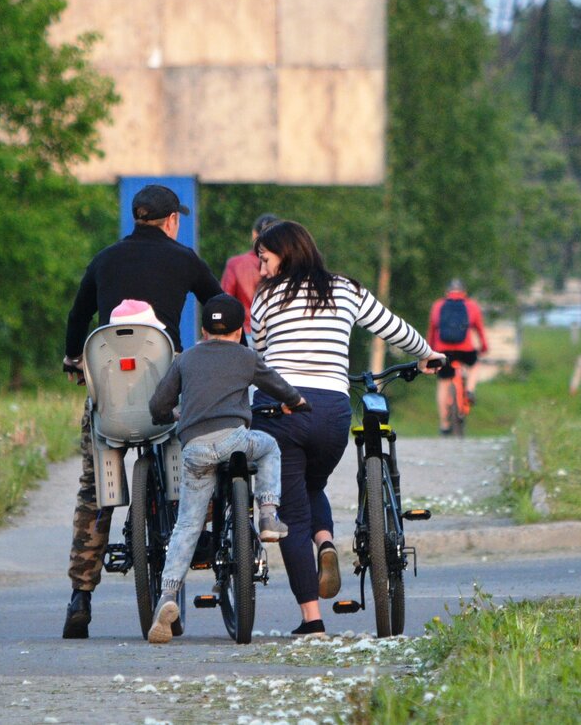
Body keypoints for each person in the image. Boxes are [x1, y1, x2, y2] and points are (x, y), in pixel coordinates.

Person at [249, 221, 444, 636]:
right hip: (333, 412)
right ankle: (325, 543)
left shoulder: (266, 297)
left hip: (282, 409)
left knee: (290, 513)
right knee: (313, 484)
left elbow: (257, 357)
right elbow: (391, 327)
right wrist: (427, 354)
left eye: (264, 259)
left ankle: (312, 621)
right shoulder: (346, 289)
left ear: (283, 254)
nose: (261, 269)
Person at [60, 183, 224, 639]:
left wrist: (74, 359)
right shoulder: (185, 259)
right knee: (197, 465)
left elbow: (77, 319)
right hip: (167, 400)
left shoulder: (104, 259)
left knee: (93, 493)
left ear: (136, 218)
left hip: (110, 403)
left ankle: (81, 596)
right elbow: (220, 308)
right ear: (172, 221)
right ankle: (194, 547)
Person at [144, 294, 309, 644]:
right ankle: (267, 515)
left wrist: (168, 416)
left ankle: (167, 597)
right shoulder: (247, 357)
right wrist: (296, 401)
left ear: (204, 330)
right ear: (239, 332)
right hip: (236, 440)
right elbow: (277, 385)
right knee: (269, 447)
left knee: (187, 525)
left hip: (195, 450)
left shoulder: (186, 359)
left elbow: (159, 404)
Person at [426, 279, 489, 435]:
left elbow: (432, 331)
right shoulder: (472, 306)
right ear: (464, 292)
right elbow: (479, 329)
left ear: (447, 292)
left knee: (443, 383)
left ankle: (444, 424)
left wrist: (428, 352)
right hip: (465, 349)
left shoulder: (438, 306)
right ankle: (469, 390)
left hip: (442, 350)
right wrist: (484, 346)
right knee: (474, 366)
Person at [220, 213, 280, 342]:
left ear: (254, 234)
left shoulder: (235, 264)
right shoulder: (286, 265)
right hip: (275, 333)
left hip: (244, 335)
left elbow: (224, 302)